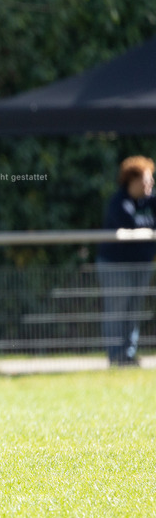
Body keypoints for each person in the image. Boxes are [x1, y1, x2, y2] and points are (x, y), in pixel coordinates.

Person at [96, 155, 156, 366]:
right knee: (117, 310)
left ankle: (128, 354)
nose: (150, 183)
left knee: (134, 310)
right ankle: (116, 356)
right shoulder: (118, 202)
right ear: (131, 180)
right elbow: (130, 232)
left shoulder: (151, 201)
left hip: (142, 264)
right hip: (115, 264)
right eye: (146, 179)